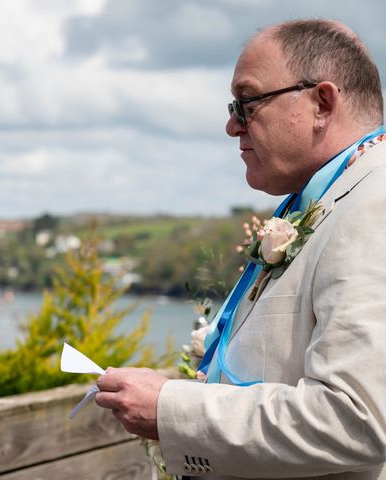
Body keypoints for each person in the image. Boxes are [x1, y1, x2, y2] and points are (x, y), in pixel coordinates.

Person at [95, 18, 386, 479]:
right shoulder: (329, 200)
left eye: (247, 102)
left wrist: (173, 409)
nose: (232, 125)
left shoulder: (375, 206)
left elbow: (356, 419)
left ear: (322, 103)